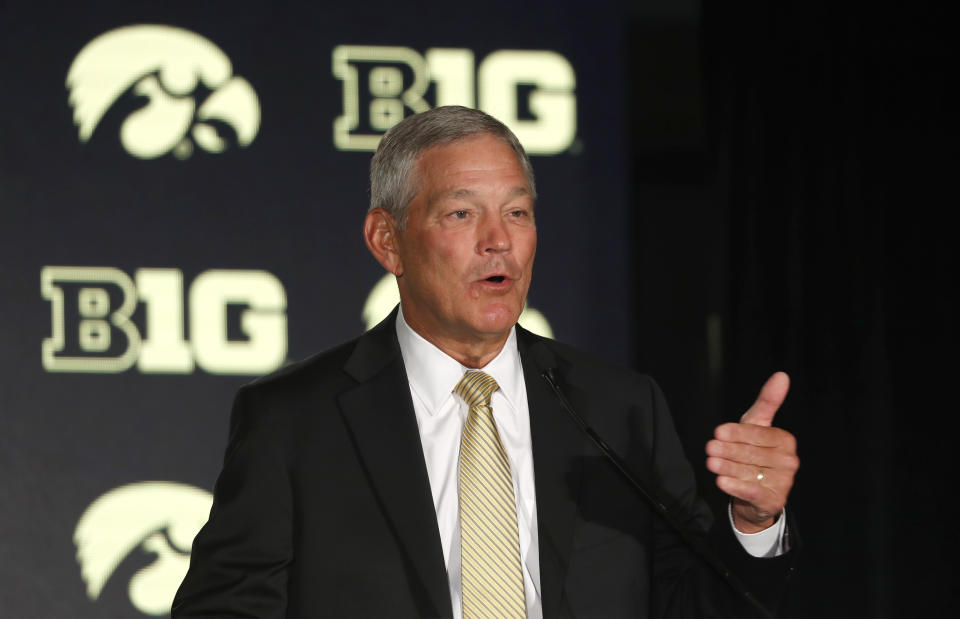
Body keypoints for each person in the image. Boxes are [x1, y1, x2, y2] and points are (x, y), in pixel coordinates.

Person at [172, 106, 799, 618]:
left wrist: (752, 522)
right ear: (387, 240)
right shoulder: (293, 422)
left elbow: (695, 606)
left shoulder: (620, 407)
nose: (498, 240)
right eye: (461, 213)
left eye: (518, 213)